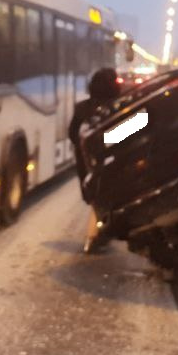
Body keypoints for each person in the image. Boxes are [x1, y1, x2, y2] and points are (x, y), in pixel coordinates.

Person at [69, 67, 120, 252]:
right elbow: (125, 134)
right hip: (111, 162)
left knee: (95, 199)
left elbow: (73, 134)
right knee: (105, 197)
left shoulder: (81, 108)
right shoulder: (119, 107)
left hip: (87, 163)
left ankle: (97, 234)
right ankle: (97, 235)